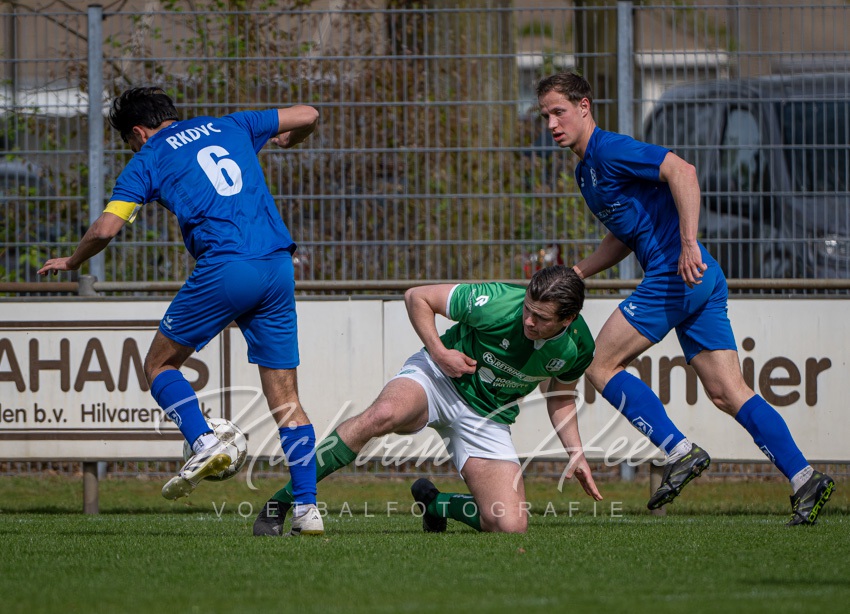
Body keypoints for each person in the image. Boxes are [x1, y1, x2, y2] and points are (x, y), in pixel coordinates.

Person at [536, 72, 835, 525]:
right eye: (545, 116)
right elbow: (625, 235)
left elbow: (683, 171)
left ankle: (678, 450)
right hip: (701, 276)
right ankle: (804, 478)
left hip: (677, 273)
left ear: (584, 107)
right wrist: (577, 273)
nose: (552, 124)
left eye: (559, 112)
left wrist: (689, 243)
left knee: (599, 365)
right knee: (727, 392)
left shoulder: (609, 149)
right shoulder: (585, 172)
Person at [38, 87, 324, 536]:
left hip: (228, 266)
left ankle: (203, 441)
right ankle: (307, 509)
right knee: (287, 400)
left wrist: (73, 261)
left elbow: (107, 228)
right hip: (277, 265)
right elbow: (308, 113)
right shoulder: (232, 124)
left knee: (158, 365)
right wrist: (290, 139)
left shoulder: (149, 158)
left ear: (138, 132)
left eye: (129, 142)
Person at [253, 265, 603, 535]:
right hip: (437, 378)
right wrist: (440, 353)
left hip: (488, 416)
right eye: (527, 309)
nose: (528, 320)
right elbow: (417, 297)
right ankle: (282, 503)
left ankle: (436, 504)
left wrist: (576, 453)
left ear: (568, 319)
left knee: (509, 525)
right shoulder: (497, 302)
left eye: (541, 318)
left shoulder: (578, 348)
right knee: (381, 415)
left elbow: (560, 397)